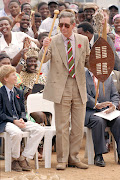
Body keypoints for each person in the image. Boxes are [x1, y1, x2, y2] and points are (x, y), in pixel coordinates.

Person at [39, 11, 90, 170]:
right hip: (60, 87)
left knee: (77, 126)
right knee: (61, 126)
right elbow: (43, 59)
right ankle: (62, 159)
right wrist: (44, 46)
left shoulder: (83, 40)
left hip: (79, 86)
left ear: (73, 25)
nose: (63, 28)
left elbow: (88, 61)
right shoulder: (53, 40)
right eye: (60, 25)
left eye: (67, 25)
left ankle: (74, 158)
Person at [0, 65, 45, 172]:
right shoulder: (0, 93)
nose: (16, 77)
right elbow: (0, 113)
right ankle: (14, 159)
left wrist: (21, 119)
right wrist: (14, 120)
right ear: (6, 78)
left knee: (40, 129)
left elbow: (22, 110)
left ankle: (23, 157)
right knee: (16, 133)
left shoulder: (18, 92)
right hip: (6, 121)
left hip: (18, 120)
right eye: (13, 75)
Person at [85, 69, 120, 167]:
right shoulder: (82, 76)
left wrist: (113, 105)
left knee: (119, 120)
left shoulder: (107, 76)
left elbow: (115, 95)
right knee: (99, 121)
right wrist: (96, 104)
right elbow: (83, 94)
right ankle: (99, 155)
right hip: (90, 111)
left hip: (107, 112)